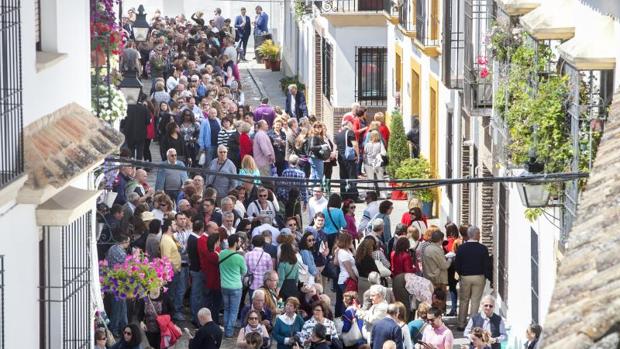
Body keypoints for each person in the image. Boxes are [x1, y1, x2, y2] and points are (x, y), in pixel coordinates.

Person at [455, 226, 491, 330]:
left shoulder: (461, 248)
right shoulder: (482, 248)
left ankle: (461, 324)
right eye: (479, 233)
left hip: (465, 277)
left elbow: (457, 264)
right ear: (475, 235)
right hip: (479, 277)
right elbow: (486, 264)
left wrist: (460, 274)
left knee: (463, 300)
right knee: (475, 301)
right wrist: (488, 277)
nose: (480, 235)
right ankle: (473, 325)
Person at [219, 234, 248, 337]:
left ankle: (226, 327)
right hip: (236, 286)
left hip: (224, 285)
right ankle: (229, 331)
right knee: (234, 310)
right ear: (236, 243)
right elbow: (244, 272)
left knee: (226, 309)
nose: (240, 243)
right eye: (239, 242)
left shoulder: (221, 253)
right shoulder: (239, 257)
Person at [159, 218, 185, 321]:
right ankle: (170, 316)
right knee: (171, 295)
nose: (176, 225)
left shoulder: (170, 238)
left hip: (175, 271)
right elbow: (166, 259)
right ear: (169, 227)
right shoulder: (165, 240)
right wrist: (174, 270)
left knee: (173, 293)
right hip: (172, 272)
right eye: (174, 223)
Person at [106, 234, 131, 337]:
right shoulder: (121, 253)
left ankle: (123, 327)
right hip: (119, 283)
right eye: (128, 242)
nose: (129, 244)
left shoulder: (112, 248)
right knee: (118, 308)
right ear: (124, 241)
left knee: (121, 307)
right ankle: (115, 329)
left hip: (112, 282)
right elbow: (127, 267)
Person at [335, 120, 360, 201]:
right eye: (351, 124)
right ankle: (353, 196)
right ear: (348, 124)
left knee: (343, 177)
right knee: (352, 177)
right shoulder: (350, 132)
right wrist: (358, 155)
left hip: (341, 158)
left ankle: (344, 196)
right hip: (349, 158)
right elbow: (355, 144)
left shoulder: (338, 135)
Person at [334, 232, 357, 317]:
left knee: (341, 300)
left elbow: (336, 262)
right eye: (351, 240)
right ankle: (345, 317)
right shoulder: (343, 253)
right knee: (346, 301)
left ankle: (340, 316)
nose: (352, 241)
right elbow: (349, 270)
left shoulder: (344, 250)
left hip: (343, 279)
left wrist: (353, 248)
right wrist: (355, 279)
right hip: (346, 279)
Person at [364, 130, 387, 199]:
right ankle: (383, 194)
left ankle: (370, 195)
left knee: (370, 179)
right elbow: (384, 153)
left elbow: (365, 153)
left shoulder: (367, 143)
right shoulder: (380, 143)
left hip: (368, 163)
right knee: (380, 179)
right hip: (378, 163)